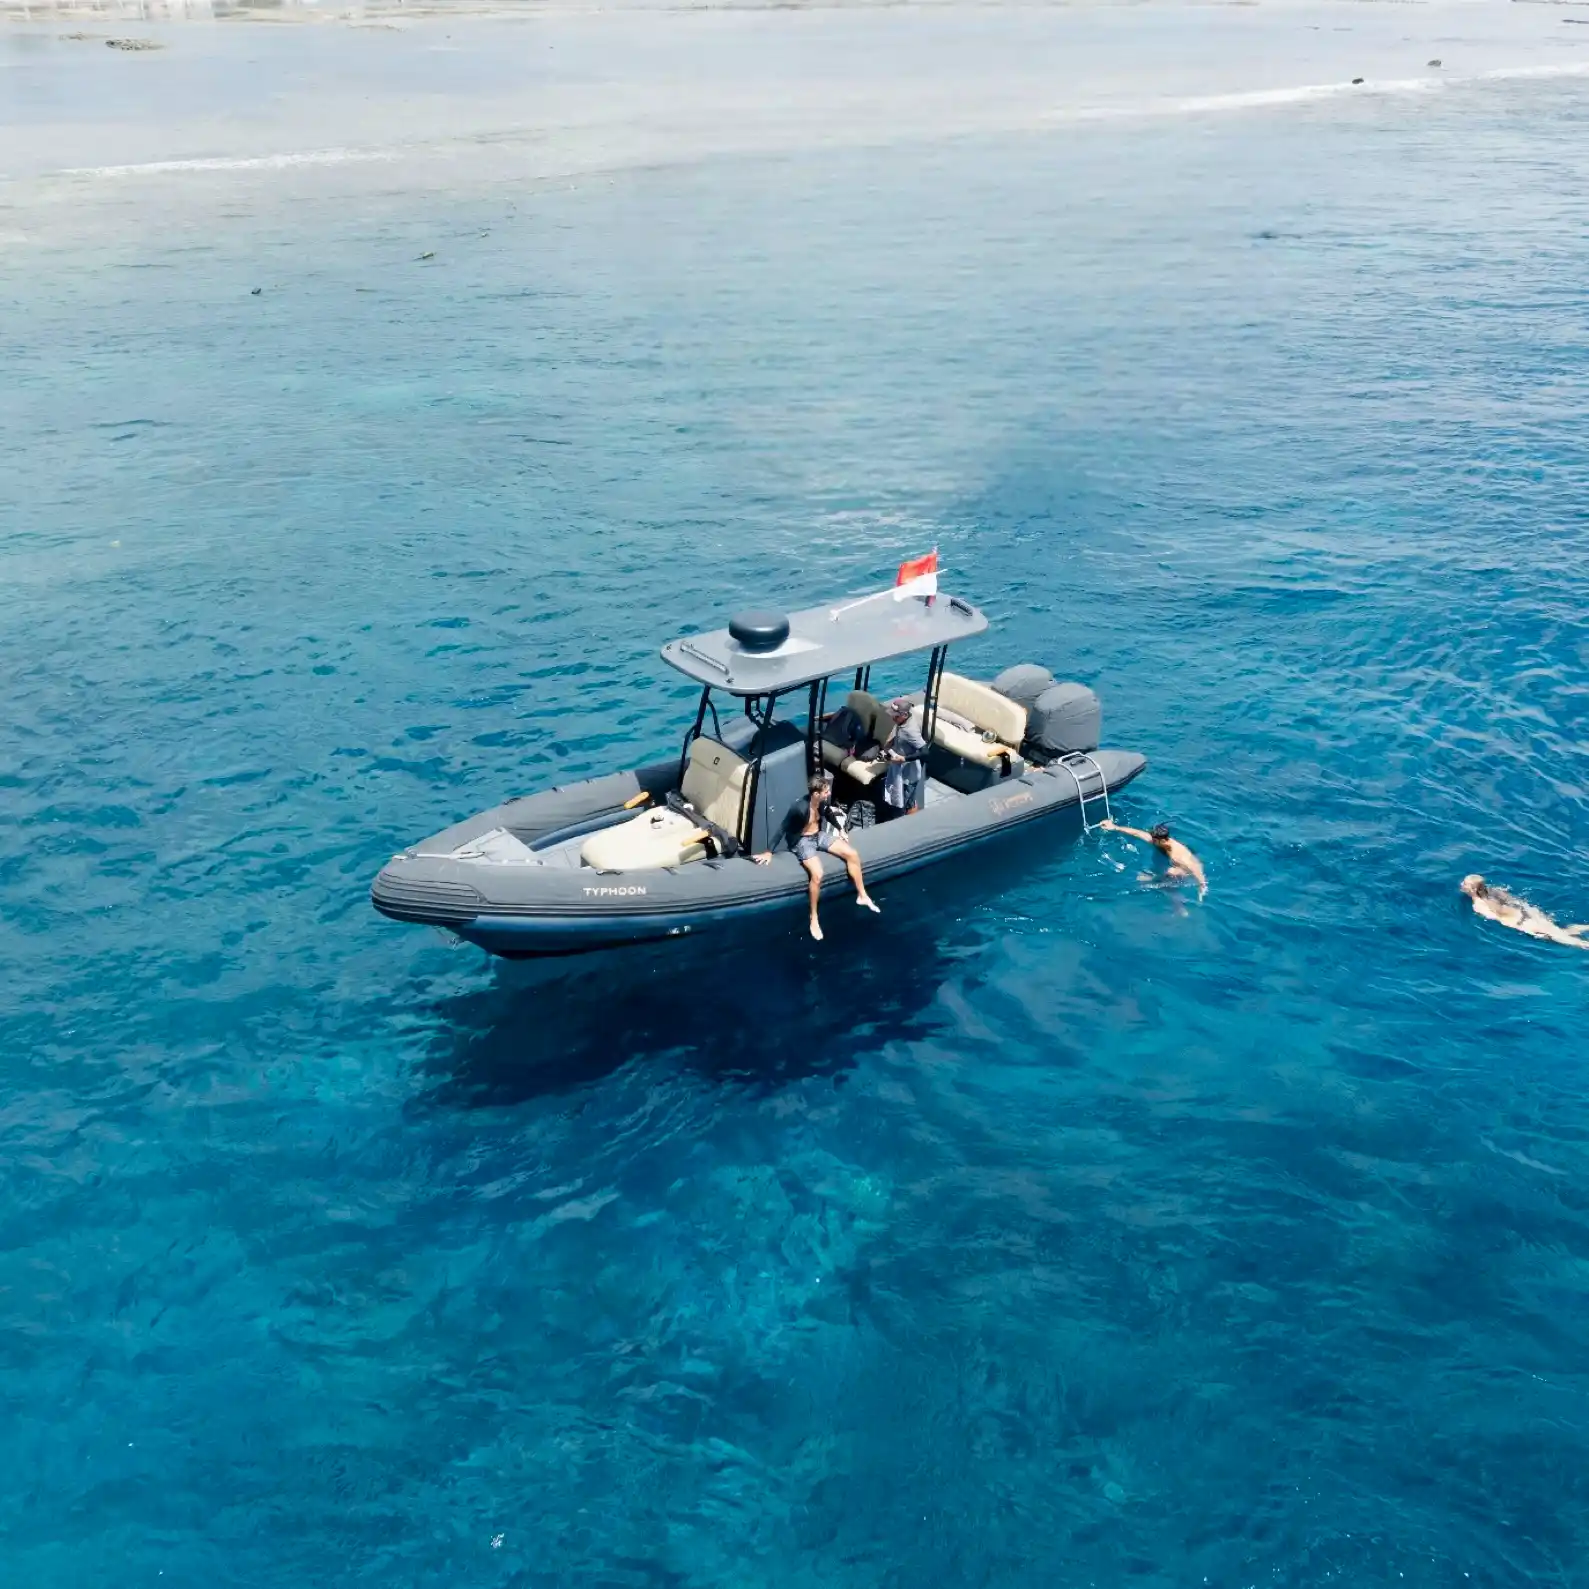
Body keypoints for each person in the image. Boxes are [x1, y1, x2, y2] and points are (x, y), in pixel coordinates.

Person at [753, 770, 879, 940]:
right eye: (826, 792)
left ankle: (862, 895)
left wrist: (841, 829)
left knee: (852, 854)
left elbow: (828, 813)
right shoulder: (799, 808)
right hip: (802, 841)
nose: (829, 793)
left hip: (818, 836)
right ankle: (813, 917)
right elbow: (782, 828)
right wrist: (769, 851)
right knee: (817, 874)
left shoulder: (821, 803)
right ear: (816, 793)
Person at [1461, 875, 1589, 949]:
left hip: (1525, 924)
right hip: (1530, 913)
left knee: (1570, 940)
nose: (1462, 884)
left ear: (1473, 889)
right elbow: (1515, 901)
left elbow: (1497, 918)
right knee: (1561, 931)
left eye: (1465, 884)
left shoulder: (1479, 905)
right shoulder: (1494, 890)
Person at [1100, 818, 1207, 901]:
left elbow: (1195, 866)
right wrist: (1115, 827)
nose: (1151, 840)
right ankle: (1177, 903)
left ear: (1162, 840)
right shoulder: (1160, 841)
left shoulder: (1178, 855)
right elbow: (1138, 833)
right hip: (1171, 862)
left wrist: (1202, 886)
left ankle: (1179, 904)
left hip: (1183, 871)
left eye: (1154, 839)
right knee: (1148, 878)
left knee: (1165, 875)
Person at [881, 699, 926, 816]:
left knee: (904, 804)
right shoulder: (903, 721)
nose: (893, 718)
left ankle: (904, 821)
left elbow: (925, 752)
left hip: (908, 776)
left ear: (905, 715)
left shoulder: (911, 731)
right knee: (909, 802)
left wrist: (904, 759)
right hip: (902, 771)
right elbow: (899, 731)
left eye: (896, 716)